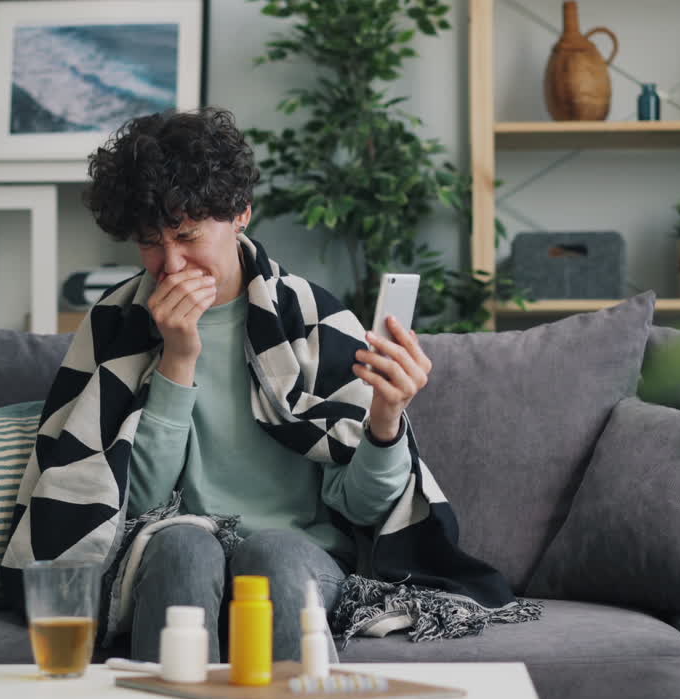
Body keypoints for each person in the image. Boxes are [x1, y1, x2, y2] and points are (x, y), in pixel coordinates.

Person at [81, 107, 433, 663]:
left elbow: (364, 510)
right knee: (183, 545)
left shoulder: (316, 319)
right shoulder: (118, 325)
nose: (170, 264)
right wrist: (178, 356)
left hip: (301, 558)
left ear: (241, 212)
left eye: (188, 234)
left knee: (273, 551)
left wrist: (386, 420)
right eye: (151, 242)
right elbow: (137, 503)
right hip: (172, 552)